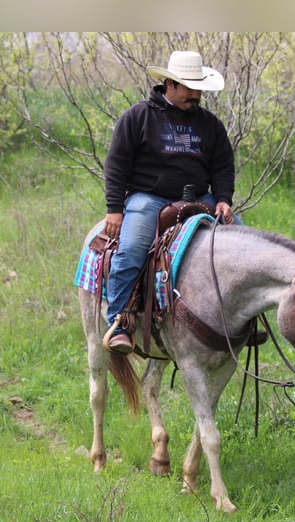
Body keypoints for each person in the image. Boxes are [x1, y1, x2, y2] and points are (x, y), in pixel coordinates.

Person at [102, 50, 238, 354]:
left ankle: (238, 322)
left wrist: (224, 200)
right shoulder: (138, 117)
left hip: (200, 197)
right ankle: (120, 322)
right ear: (169, 85)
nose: (195, 95)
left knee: (240, 242)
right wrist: (114, 209)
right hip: (149, 198)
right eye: (188, 88)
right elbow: (117, 164)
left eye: (198, 88)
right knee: (132, 249)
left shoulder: (210, 125)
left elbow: (222, 166)